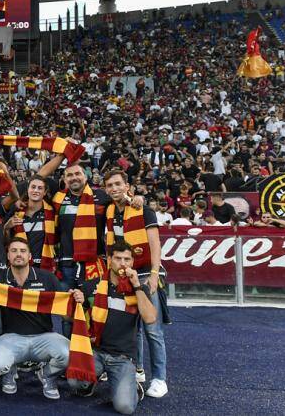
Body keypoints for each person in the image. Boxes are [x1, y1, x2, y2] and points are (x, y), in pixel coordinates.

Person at [0, 236, 82, 399]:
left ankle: (47, 374)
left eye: (23, 251)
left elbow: (67, 317)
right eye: (14, 251)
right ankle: (9, 370)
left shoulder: (47, 278)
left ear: (30, 256)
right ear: (8, 256)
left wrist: (75, 301)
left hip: (44, 337)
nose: (18, 254)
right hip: (11, 338)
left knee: (70, 353)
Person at [71, 241, 158, 415]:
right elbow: (70, 317)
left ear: (132, 262)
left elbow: (150, 319)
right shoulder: (91, 286)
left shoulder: (139, 289)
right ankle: (91, 383)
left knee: (124, 408)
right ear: (109, 260)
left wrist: (137, 286)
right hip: (95, 351)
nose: (123, 263)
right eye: (118, 258)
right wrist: (75, 300)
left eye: (127, 259)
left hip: (122, 357)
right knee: (74, 382)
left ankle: (134, 386)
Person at [102, 169, 167, 398]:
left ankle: (160, 378)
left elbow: (155, 244)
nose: (114, 188)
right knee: (133, 327)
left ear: (127, 185)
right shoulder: (109, 210)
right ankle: (138, 370)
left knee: (152, 329)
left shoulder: (143, 209)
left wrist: (154, 273)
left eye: (118, 184)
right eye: (109, 185)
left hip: (144, 274)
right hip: (122, 275)